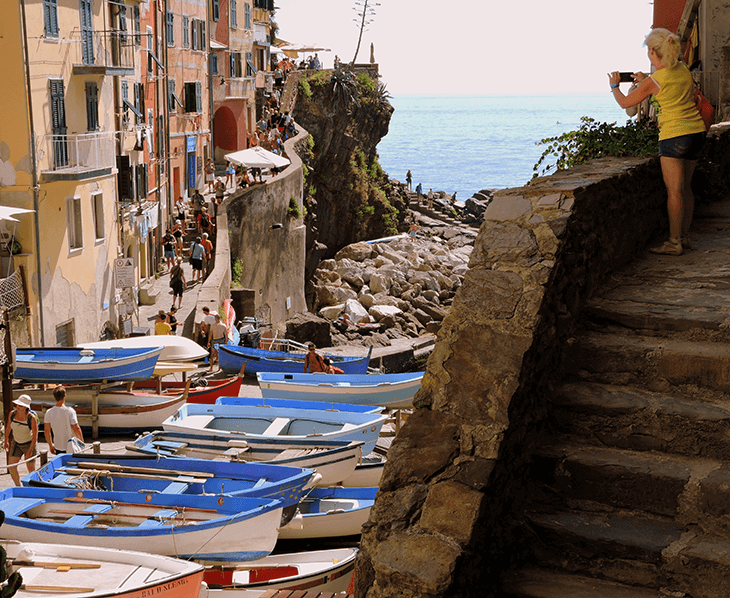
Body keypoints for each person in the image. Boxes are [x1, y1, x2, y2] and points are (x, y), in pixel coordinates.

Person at [609, 28, 707, 256]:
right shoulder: (682, 69)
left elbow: (625, 103)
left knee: (674, 192)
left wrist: (615, 86)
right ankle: (685, 236)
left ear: (653, 52)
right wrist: (646, 80)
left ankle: (674, 242)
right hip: (696, 133)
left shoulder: (656, 80)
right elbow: (673, 89)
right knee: (686, 189)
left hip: (674, 136)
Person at [4, 394, 38, 486]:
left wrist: (30, 450)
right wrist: (6, 440)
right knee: (11, 466)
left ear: (26, 408)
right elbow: (8, 428)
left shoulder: (31, 418)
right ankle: (18, 486)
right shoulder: (12, 414)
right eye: (17, 405)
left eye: (20, 405)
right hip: (16, 442)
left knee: (31, 469)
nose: (18, 407)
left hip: (29, 443)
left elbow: (35, 436)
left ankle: (32, 487)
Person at [44, 385, 84, 456]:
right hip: (71, 446)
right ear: (65, 396)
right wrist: (81, 442)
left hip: (57, 445)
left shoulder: (49, 412)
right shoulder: (70, 411)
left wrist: (50, 445)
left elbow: (47, 431)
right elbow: (76, 428)